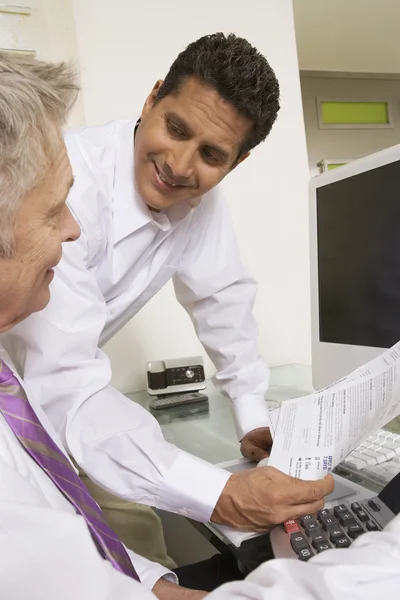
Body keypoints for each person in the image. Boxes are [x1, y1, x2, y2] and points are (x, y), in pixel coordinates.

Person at [1, 50, 400, 600]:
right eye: (175, 128)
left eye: (211, 154)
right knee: (128, 535)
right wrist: (222, 495)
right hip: (39, 401)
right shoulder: (63, 183)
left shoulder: (199, 206)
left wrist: (253, 419)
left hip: (45, 406)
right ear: (154, 94)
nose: (182, 165)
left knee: (138, 550)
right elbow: (67, 388)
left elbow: (225, 303)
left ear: (237, 162)